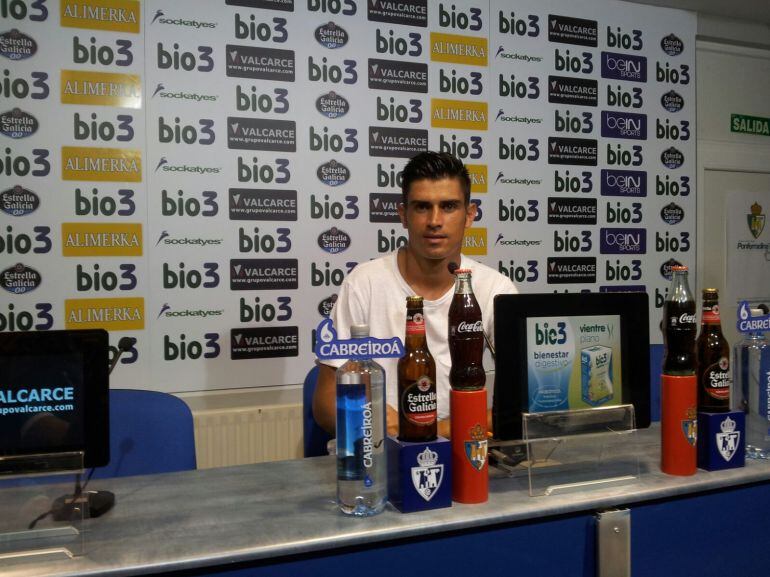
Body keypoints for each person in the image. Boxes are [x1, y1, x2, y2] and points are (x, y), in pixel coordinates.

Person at [313, 151, 517, 438]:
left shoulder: (496, 290)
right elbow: (326, 406)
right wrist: (444, 429)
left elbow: (523, 409)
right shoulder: (363, 283)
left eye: (448, 206)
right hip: (385, 457)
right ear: (403, 216)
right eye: (422, 207)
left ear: (469, 215)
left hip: (462, 458)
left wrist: (428, 429)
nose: (435, 220)